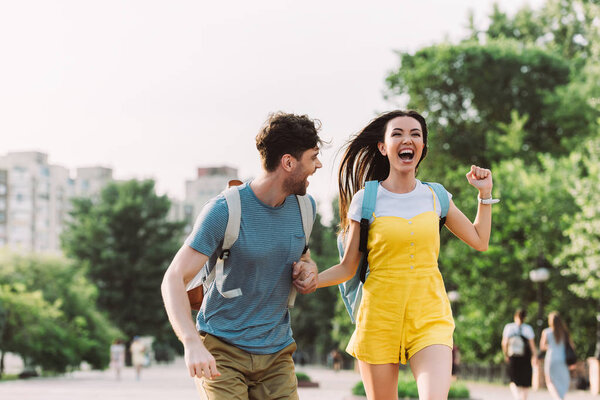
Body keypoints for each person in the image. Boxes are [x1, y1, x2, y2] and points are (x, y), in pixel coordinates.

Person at [296, 110, 495, 399]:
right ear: (383, 147)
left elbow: (479, 240)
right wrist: (313, 280)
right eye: (398, 134)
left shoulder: (437, 196)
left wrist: (484, 194)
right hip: (379, 318)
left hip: (430, 316)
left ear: (423, 147)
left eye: (416, 134)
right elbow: (347, 267)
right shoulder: (367, 198)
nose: (408, 140)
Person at [161, 112, 322, 400]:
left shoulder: (305, 208)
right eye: (313, 157)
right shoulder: (223, 210)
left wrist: (308, 270)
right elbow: (173, 277)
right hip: (223, 352)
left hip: (277, 355)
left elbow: (303, 256)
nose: (318, 165)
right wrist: (191, 343)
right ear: (288, 162)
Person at [502, 309, 538, 400]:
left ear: (515, 317)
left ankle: (517, 397)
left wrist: (506, 354)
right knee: (525, 382)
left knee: (513, 380)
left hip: (513, 356)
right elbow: (532, 345)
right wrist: (535, 356)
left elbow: (504, 343)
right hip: (525, 357)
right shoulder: (528, 328)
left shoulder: (509, 327)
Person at [540, 311, 574, 400]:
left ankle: (557, 398)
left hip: (551, 359)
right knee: (563, 380)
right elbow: (572, 346)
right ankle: (561, 397)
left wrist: (550, 346)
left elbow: (542, 347)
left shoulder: (546, 332)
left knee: (550, 381)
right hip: (562, 359)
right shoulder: (565, 332)